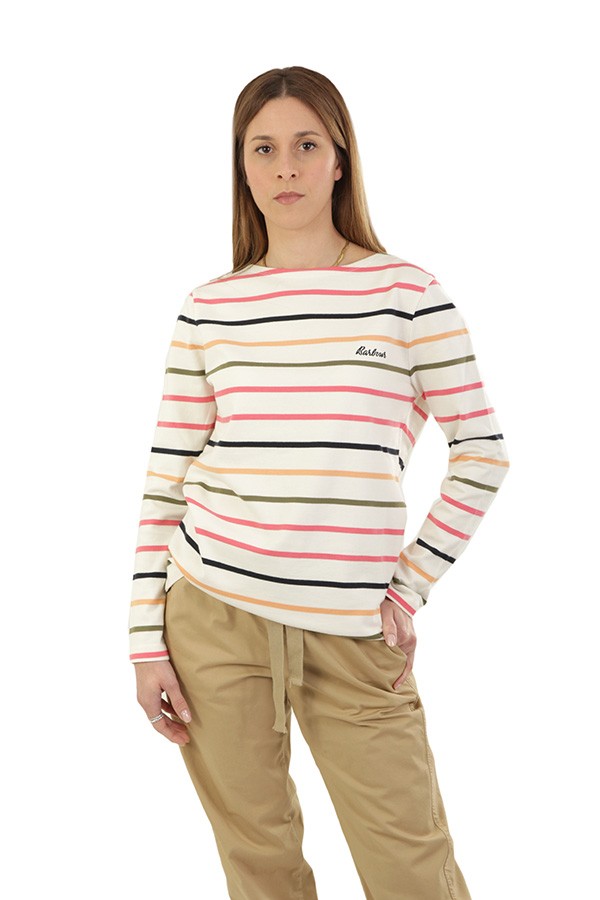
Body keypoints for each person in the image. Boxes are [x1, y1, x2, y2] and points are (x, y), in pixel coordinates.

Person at [129, 65, 510, 900]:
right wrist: (145, 641)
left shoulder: (407, 294)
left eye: (306, 145)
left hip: (353, 631)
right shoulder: (210, 308)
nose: (286, 168)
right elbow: (166, 480)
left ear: (341, 159)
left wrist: (408, 585)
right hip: (213, 618)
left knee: (412, 871)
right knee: (260, 869)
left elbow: (482, 450)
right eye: (263, 149)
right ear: (242, 167)